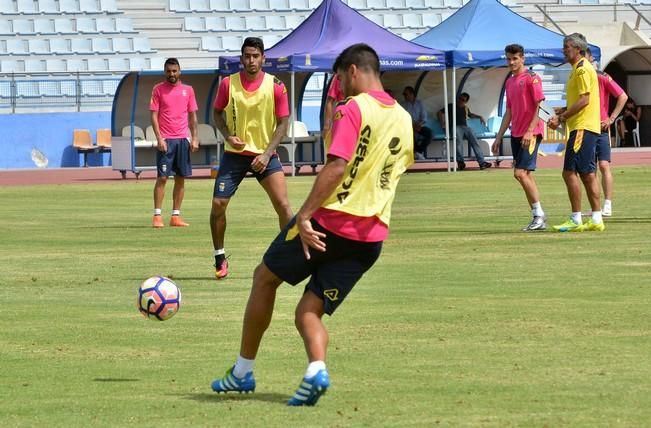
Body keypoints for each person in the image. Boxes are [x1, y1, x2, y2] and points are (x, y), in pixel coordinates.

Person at [210, 43, 414, 406]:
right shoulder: (403, 117)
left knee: (264, 277)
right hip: (370, 239)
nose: (340, 89)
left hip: (327, 225)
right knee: (308, 311)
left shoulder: (353, 108)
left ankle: (242, 373)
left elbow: (337, 166)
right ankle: (316, 369)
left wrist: (303, 216)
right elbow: (390, 173)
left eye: (339, 79)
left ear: (352, 70)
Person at [211, 37, 293, 279]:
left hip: (265, 156)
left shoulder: (277, 86)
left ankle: (290, 257)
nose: (251, 60)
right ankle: (219, 257)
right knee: (218, 205)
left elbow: (283, 123)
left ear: (263, 58)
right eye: (247, 56)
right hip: (234, 155)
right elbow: (216, 113)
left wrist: (267, 154)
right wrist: (227, 135)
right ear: (241, 58)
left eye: (255, 56)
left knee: (284, 206)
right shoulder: (228, 84)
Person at [549, 33, 604, 232]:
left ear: (578, 49)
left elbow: (584, 100)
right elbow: (578, 101)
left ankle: (576, 218)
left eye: (567, 47)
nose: (564, 50)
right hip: (585, 126)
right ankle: (596, 218)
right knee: (588, 173)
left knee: (569, 172)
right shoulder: (578, 69)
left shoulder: (581, 69)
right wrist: (561, 111)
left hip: (582, 127)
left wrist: (562, 118)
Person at [492, 44, 547, 231]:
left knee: (520, 173)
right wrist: (499, 136)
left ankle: (538, 215)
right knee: (525, 175)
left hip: (530, 133)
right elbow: (508, 111)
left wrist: (530, 130)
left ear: (522, 58)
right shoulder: (510, 82)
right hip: (516, 133)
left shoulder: (532, 79)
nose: (511, 62)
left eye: (515, 58)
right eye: (508, 59)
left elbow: (539, 106)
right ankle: (538, 216)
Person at [150, 57, 199, 228]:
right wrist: (159, 138)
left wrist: (194, 138)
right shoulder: (158, 89)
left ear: (179, 71)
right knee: (162, 178)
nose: (172, 74)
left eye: (174, 71)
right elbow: (154, 115)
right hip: (166, 141)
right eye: (169, 71)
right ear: (165, 72)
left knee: (180, 178)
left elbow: (193, 116)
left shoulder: (188, 90)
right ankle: (157, 215)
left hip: (182, 140)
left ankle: (175, 216)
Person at [586, 47, 628, 217]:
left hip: (600, 128)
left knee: (604, 165)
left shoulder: (601, 77)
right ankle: (595, 206)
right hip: (585, 127)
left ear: (591, 59)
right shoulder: (578, 77)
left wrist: (611, 118)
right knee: (590, 169)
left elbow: (622, 96)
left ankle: (608, 204)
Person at [437, 93, 492, 170]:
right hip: (455, 126)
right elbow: (439, 112)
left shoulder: (465, 108)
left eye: (463, 100)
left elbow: (470, 115)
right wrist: (442, 122)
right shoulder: (451, 106)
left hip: (465, 127)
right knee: (459, 142)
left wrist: (480, 116)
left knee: (475, 142)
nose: (460, 101)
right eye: (460, 99)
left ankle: (482, 162)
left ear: (466, 102)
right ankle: (460, 162)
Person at [402, 86, 432, 160]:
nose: (404, 96)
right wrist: (412, 125)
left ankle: (418, 151)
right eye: (404, 94)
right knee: (410, 133)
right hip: (409, 126)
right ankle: (417, 153)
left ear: (412, 94)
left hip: (419, 126)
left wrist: (419, 125)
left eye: (406, 94)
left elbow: (424, 117)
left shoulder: (420, 103)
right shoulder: (404, 105)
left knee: (430, 133)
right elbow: (403, 118)